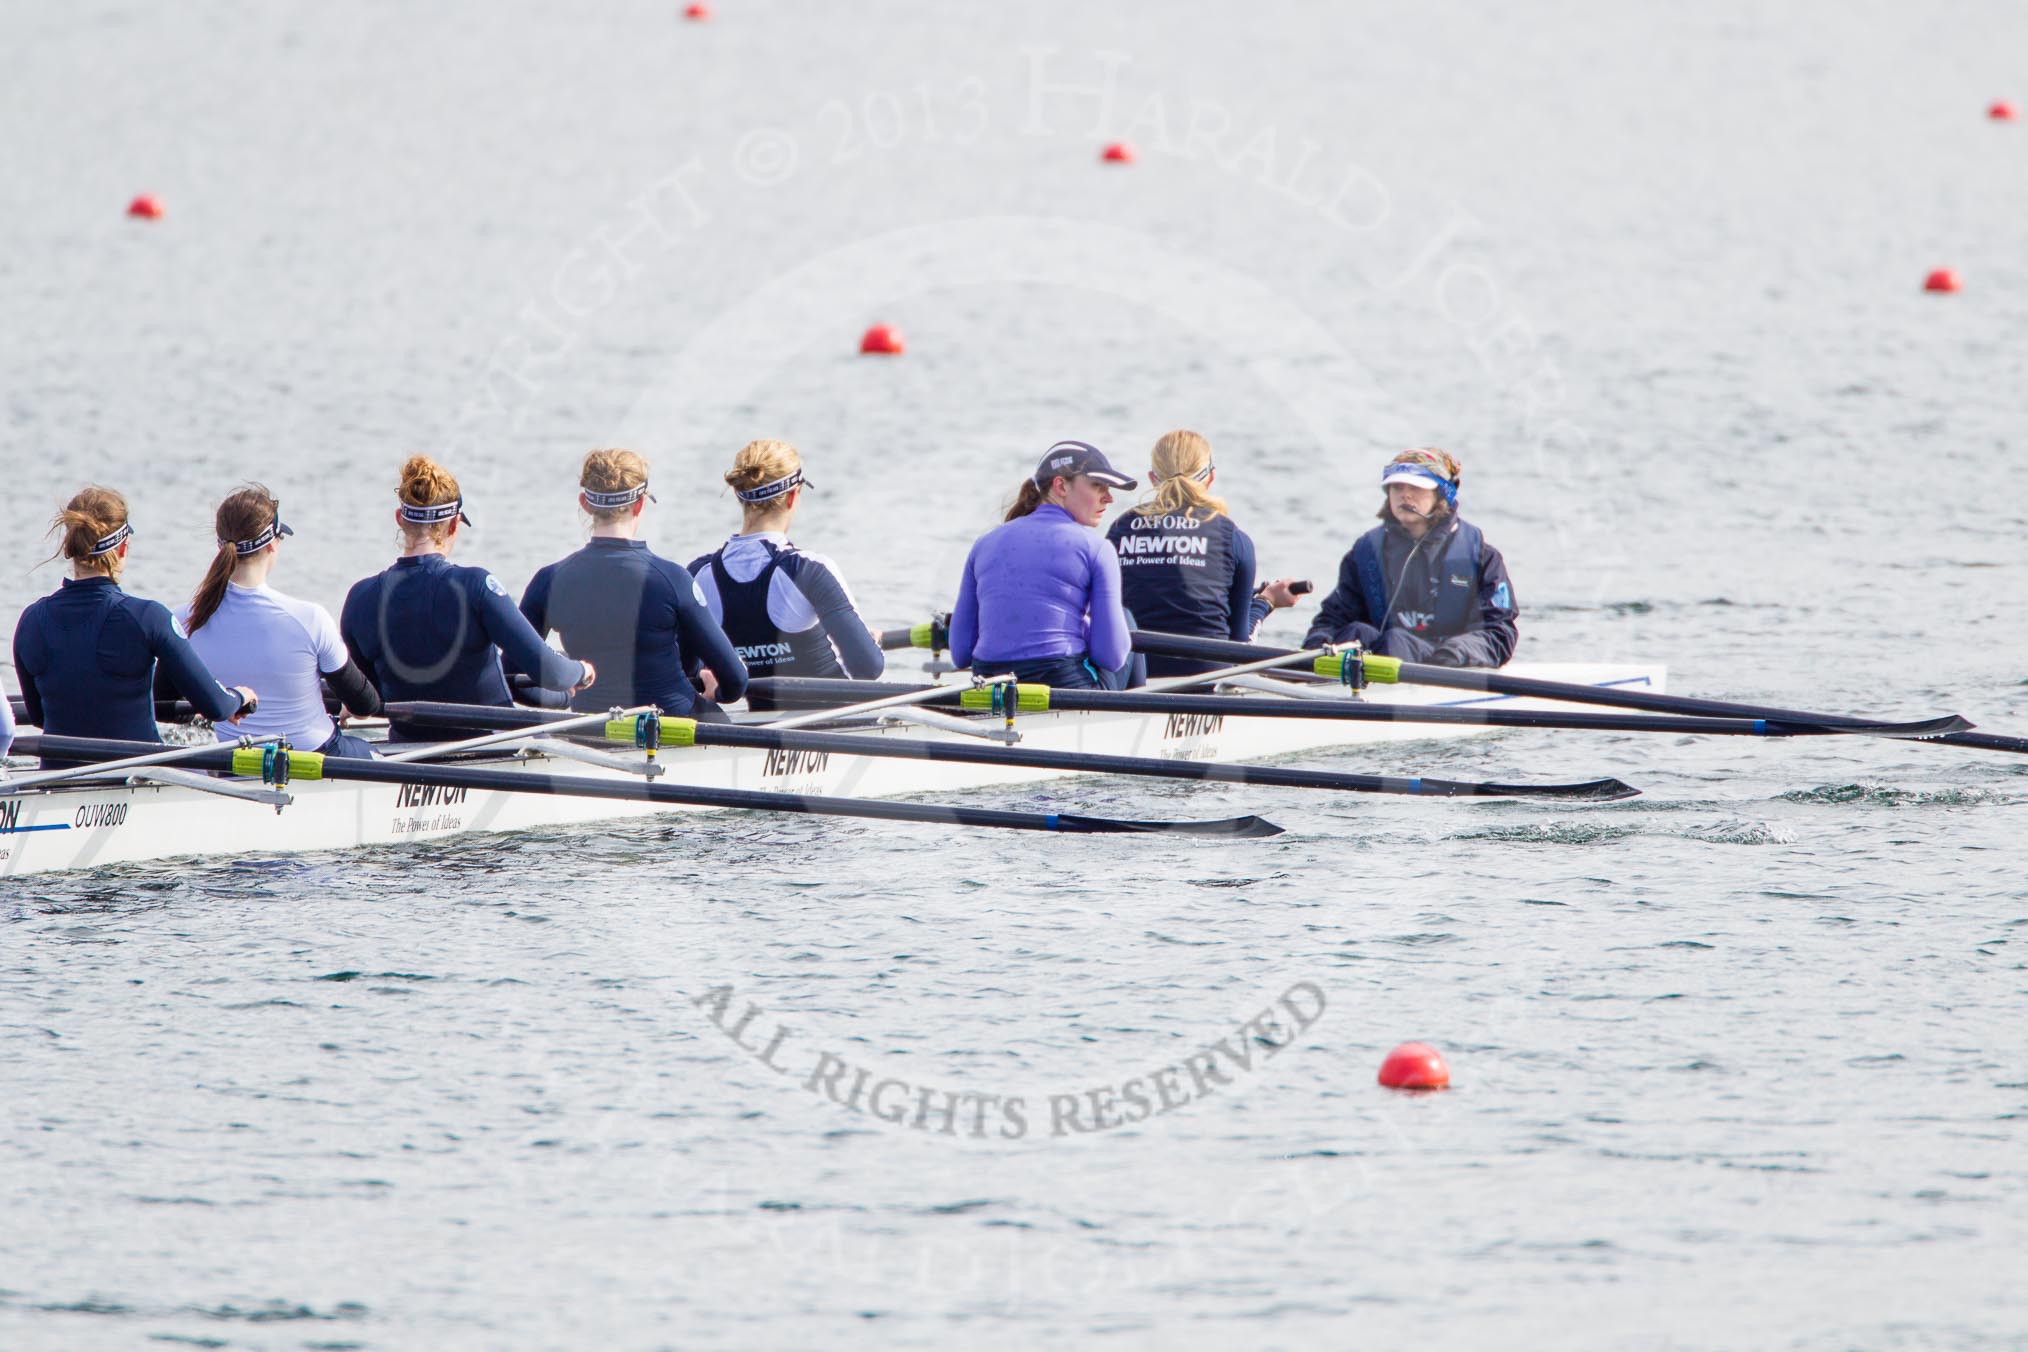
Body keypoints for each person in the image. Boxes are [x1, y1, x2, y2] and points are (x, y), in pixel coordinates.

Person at [341, 455, 594, 743]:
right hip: (492, 751)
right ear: (454, 525)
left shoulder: (360, 598)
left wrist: (352, 705)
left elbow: (366, 697)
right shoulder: (475, 586)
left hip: (409, 751)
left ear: (400, 519)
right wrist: (582, 671)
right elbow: (552, 673)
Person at [12, 486, 255, 761]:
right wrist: (239, 697)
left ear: (71, 548)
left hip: (57, 781)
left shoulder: (31, 620)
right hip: (134, 780)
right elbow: (215, 705)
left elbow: (39, 716)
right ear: (123, 547)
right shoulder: (147, 617)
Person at [522, 448, 748, 718]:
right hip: (673, 722)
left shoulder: (548, 580)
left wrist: (564, 699)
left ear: (585, 503)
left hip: (588, 726)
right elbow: (735, 680)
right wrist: (716, 692)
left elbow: (514, 680)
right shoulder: (672, 579)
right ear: (640, 504)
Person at [179, 485, 381, 759]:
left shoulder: (185, 620)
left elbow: (165, 707)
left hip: (235, 762)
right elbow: (365, 704)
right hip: (317, 756)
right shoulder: (310, 619)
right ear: (273, 544)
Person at [688, 439, 882, 708]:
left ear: (738, 495)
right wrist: (864, 642)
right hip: (833, 723)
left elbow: (687, 669)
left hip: (760, 727)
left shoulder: (699, 575)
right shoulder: (809, 570)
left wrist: (713, 684)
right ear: (793, 496)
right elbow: (868, 668)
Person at [1105, 429, 1305, 677]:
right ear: (1210, 477)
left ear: (1152, 478)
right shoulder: (1233, 537)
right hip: (1206, 681)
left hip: (1135, 680)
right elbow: (1241, 644)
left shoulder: (1119, 529)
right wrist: (1266, 602)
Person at [948, 440, 1143, 690]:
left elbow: (961, 652)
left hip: (989, 683)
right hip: (1065, 685)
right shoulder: (1097, 549)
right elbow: (1112, 656)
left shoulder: (983, 544)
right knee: (1124, 619)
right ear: (1060, 485)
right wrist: (1086, 627)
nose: (1109, 498)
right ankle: (1138, 719)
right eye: (1098, 486)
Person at [1303, 448, 1518, 667]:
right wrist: (1317, 645)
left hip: (1445, 665)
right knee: (1359, 632)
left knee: (1395, 640)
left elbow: (1498, 633)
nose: (1405, 495)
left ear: (1444, 492)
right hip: (1380, 665)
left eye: (1416, 487)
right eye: (1397, 487)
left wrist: (1455, 654)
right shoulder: (1366, 553)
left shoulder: (1481, 557)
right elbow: (1332, 620)